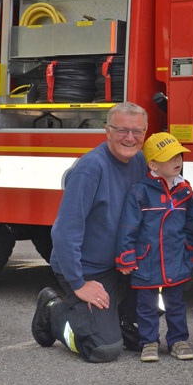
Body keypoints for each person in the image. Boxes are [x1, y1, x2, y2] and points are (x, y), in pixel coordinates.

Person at [31, 102, 150, 363]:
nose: (130, 138)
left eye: (137, 132)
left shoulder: (140, 161)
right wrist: (79, 283)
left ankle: (121, 320)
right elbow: (64, 231)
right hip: (88, 268)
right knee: (102, 349)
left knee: (171, 280)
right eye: (122, 130)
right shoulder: (90, 169)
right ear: (107, 131)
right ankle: (52, 311)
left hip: (122, 263)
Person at [116, 132, 193, 363]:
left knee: (176, 304)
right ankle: (149, 342)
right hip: (147, 260)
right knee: (146, 306)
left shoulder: (185, 190)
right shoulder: (140, 191)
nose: (178, 161)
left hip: (176, 258)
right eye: (170, 157)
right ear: (153, 164)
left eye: (179, 156)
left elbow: (192, 225)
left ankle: (179, 340)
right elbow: (128, 227)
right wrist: (126, 257)